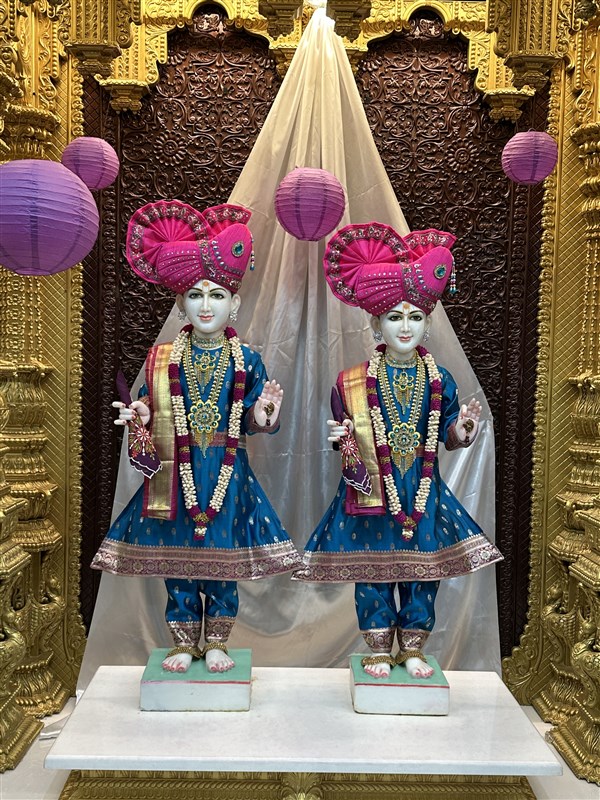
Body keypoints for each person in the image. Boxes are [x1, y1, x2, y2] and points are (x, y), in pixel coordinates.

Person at [92, 199, 301, 675]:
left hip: (227, 475)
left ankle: (219, 640)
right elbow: (150, 403)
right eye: (196, 295)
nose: (207, 305)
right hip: (175, 474)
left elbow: (256, 418)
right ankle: (184, 640)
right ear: (180, 303)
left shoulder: (247, 359)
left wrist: (264, 415)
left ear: (235, 303)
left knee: (223, 559)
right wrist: (141, 411)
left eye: (217, 295)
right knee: (178, 560)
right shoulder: (162, 357)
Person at [294, 223, 503, 680]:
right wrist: (341, 440)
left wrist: (462, 430)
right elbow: (344, 438)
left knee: (423, 573)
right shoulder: (350, 382)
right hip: (371, 494)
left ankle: (411, 648)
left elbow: (447, 432)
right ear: (376, 325)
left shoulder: (440, 380)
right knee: (372, 572)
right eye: (394, 317)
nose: (404, 327)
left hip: (423, 494)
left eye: (414, 317)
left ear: (427, 323)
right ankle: (376, 648)